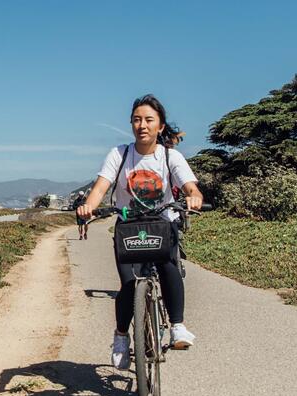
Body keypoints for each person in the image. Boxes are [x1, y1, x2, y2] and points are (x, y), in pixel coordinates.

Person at [76, 94, 204, 370]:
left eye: (148, 120)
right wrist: (89, 206)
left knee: (169, 265)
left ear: (160, 126)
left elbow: (190, 186)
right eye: (136, 120)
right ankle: (122, 336)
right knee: (129, 283)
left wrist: (193, 197)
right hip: (129, 226)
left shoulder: (171, 156)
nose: (142, 125)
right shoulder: (119, 154)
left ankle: (177, 326)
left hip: (162, 224)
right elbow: (101, 188)